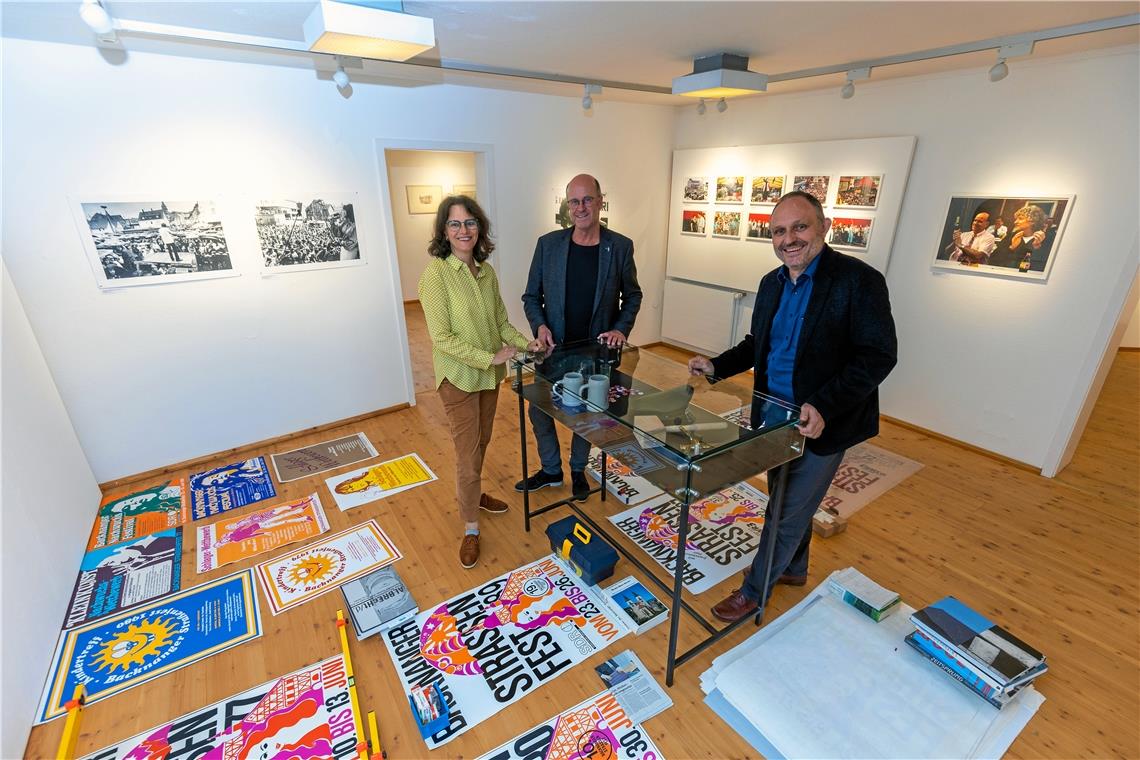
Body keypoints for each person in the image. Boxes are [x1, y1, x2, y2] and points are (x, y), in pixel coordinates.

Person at [687, 191, 897, 622]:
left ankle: (753, 592)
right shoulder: (771, 283)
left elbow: (877, 355)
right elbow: (757, 346)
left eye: (799, 227)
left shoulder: (859, 281)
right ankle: (794, 569)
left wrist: (824, 404)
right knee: (783, 496)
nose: (789, 239)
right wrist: (716, 366)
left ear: (824, 227)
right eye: (779, 231)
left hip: (822, 422)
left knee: (785, 511)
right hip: (772, 416)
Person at [418, 195, 544, 569]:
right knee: (467, 454)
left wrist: (527, 344)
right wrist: (489, 357)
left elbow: (500, 324)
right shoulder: (435, 275)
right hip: (458, 378)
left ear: (480, 228)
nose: (463, 231)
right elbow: (441, 338)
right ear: (444, 230)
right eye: (455, 224)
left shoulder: (486, 273)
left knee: (481, 443)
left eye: (470, 223)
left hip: (490, 378)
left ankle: (472, 496)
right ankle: (471, 527)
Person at [518, 173, 643, 500]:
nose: (581, 207)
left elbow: (632, 296)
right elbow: (531, 297)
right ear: (567, 206)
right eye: (574, 201)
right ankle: (551, 470)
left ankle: (577, 468)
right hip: (553, 350)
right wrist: (540, 327)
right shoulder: (548, 245)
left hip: (595, 352)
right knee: (538, 409)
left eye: (587, 199)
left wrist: (620, 328)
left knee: (589, 413)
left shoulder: (619, 247)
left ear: (600, 201)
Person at [988, 204, 1047, 270]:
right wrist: (1011, 248)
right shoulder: (1012, 236)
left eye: (1020, 218)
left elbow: (1041, 267)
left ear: (1032, 221)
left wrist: (1036, 249)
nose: (1015, 222)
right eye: (1016, 219)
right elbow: (992, 259)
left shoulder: (1042, 239)